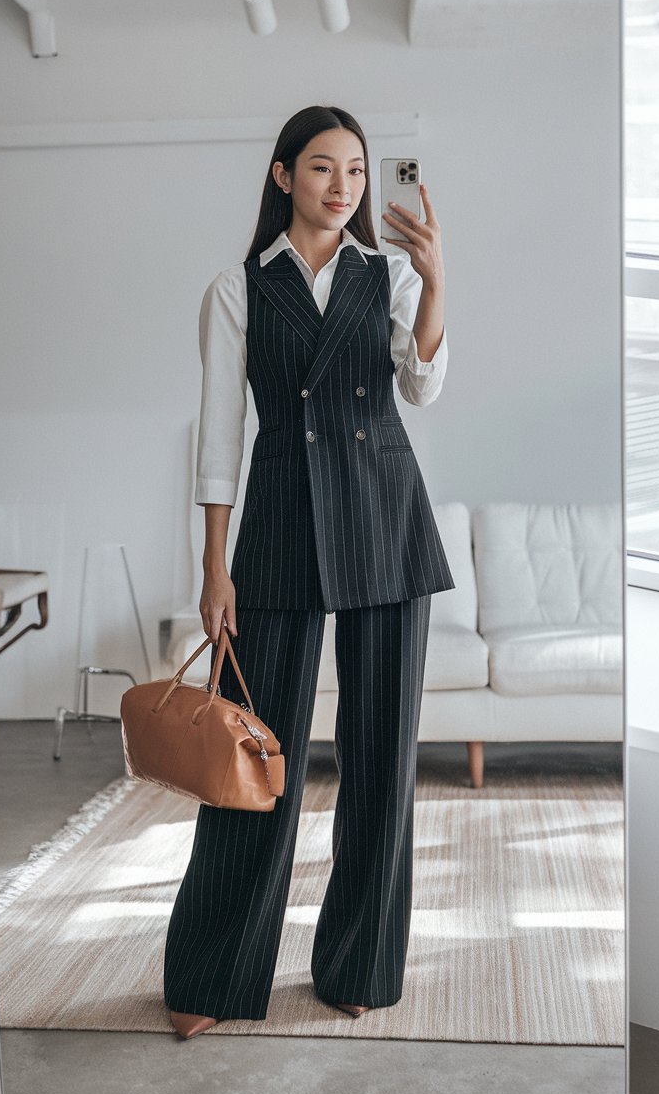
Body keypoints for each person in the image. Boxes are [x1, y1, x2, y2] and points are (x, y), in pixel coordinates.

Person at [163, 104, 456, 1039]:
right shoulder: (237, 288)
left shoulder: (393, 274)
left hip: (385, 519)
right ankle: (213, 977)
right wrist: (215, 569)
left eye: (358, 172)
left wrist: (440, 281)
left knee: (381, 759)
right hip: (280, 525)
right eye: (324, 168)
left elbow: (423, 386)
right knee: (253, 758)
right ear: (284, 176)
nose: (344, 186)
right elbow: (219, 438)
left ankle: (359, 964)